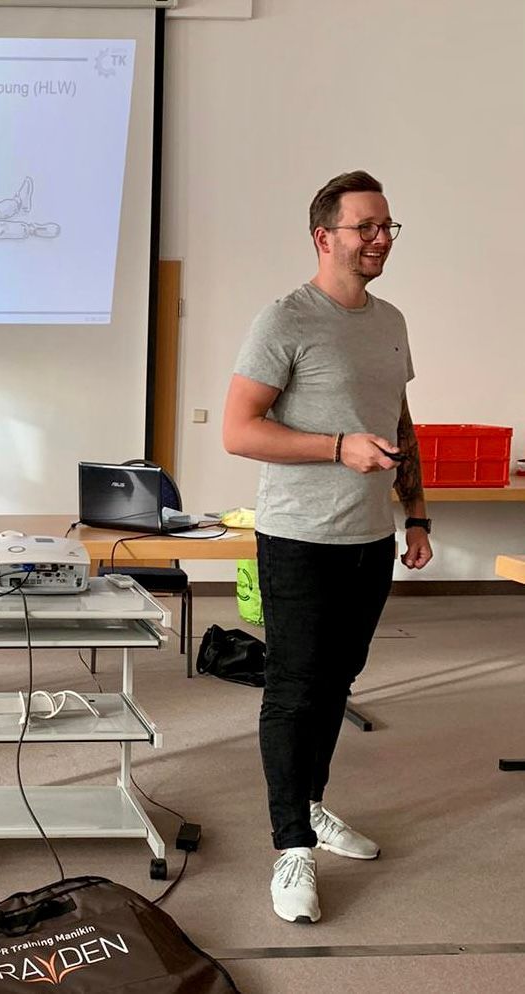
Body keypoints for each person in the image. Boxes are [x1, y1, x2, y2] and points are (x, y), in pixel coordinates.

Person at [221, 171, 433, 924]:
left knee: (338, 682)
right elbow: (239, 431)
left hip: (370, 538)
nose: (380, 239)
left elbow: (399, 421)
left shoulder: (390, 320)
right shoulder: (285, 319)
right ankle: (291, 847)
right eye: (364, 227)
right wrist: (338, 447)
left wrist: (417, 516)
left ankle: (311, 805)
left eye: (387, 227)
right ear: (324, 236)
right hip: (299, 539)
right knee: (295, 689)